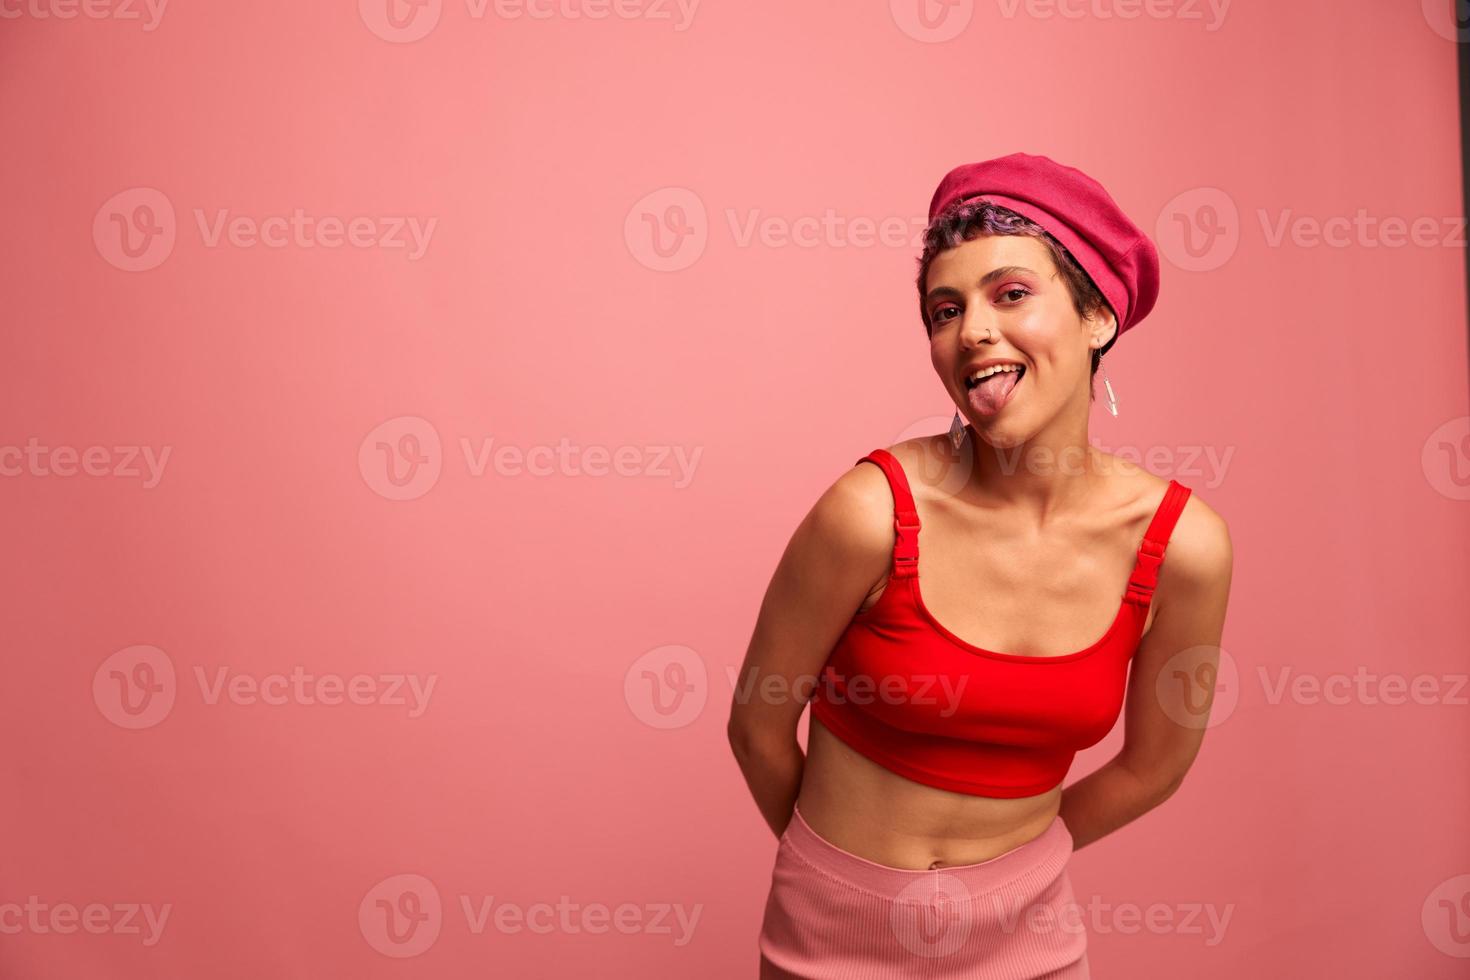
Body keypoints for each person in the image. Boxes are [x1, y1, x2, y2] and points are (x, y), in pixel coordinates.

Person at [727, 152, 1235, 978]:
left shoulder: (1183, 545)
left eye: (1012, 294)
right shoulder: (871, 512)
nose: (972, 332)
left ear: (1098, 315)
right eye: (945, 308)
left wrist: (1014, 872)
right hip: (827, 939)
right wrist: (840, 879)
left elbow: (1153, 766)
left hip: (1027, 943)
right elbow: (755, 724)